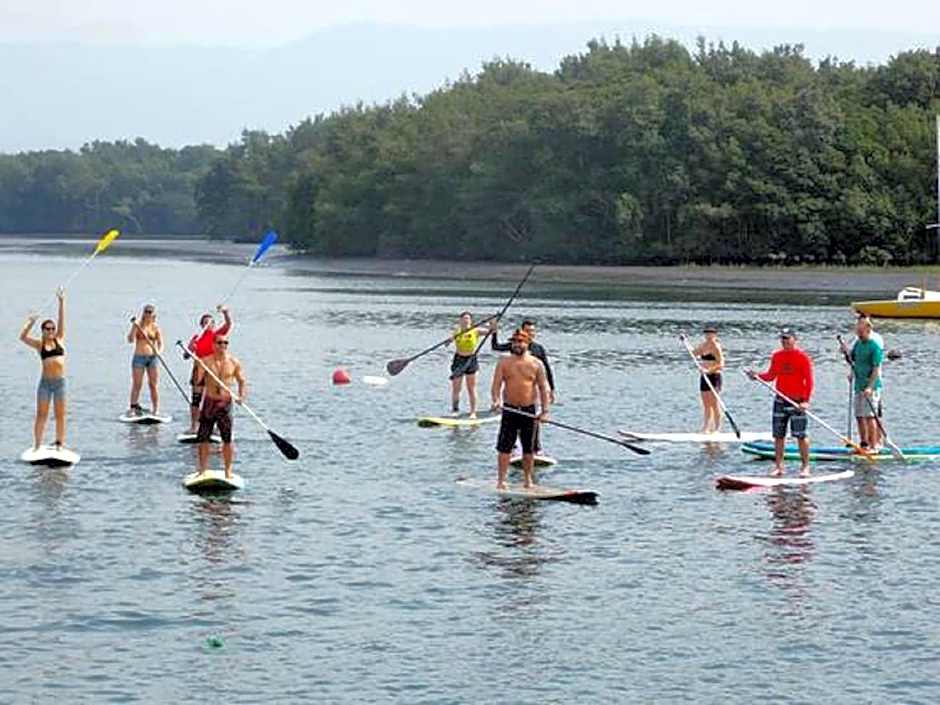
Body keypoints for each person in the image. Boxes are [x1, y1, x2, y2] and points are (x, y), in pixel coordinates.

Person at [745, 329, 814, 477]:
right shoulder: (777, 356)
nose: (785, 342)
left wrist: (806, 401)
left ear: (794, 340)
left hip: (797, 401)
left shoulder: (803, 357)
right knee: (778, 435)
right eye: (783, 339)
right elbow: (771, 375)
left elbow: (809, 381)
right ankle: (779, 467)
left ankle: (805, 467)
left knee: (800, 435)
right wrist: (757, 376)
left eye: (788, 339)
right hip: (780, 399)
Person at [490, 329, 551, 490]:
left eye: (520, 342)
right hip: (510, 410)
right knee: (504, 447)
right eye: (514, 342)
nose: (517, 345)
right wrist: (496, 401)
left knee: (528, 448)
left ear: (527, 343)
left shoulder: (536, 363)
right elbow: (496, 385)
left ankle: (527, 480)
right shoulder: (504, 362)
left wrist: (545, 411)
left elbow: (544, 388)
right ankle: (501, 480)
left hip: (529, 410)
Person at [490, 317, 556, 453]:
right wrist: (494, 332)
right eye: (527, 331)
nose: (530, 333)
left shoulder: (538, 349)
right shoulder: (514, 345)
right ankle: (512, 447)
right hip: (512, 398)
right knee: (511, 426)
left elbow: (547, 369)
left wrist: (552, 390)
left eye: (532, 331)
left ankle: (536, 448)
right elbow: (495, 347)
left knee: (533, 423)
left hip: (531, 395)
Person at [19, 288, 68, 450]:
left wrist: (61, 302)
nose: (50, 331)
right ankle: (37, 445)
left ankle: (60, 444)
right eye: (47, 329)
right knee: (42, 415)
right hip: (45, 384)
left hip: (60, 383)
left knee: (60, 415)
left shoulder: (59, 339)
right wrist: (30, 322)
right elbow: (23, 337)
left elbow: (62, 321)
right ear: (43, 331)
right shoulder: (40, 345)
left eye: (52, 328)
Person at [194, 335, 246, 479]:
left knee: (227, 439)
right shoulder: (205, 361)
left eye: (225, 343)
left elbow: (242, 381)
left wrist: (241, 397)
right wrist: (199, 368)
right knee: (203, 438)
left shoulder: (233, 362)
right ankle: (203, 470)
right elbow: (198, 382)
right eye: (219, 343)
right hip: (210, 402)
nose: (223, 345)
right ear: (213, 345)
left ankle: (228, 471)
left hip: (225, 403)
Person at [186, 305, 232, 433]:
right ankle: (194, 426)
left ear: (213, 325)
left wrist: (225, 312)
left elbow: (228, 324)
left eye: (211, 322)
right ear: (201, 325)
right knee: (196, 399)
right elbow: (186, 355)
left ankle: (217, 427)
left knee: (215, 398)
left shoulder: (217, 335)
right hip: (199, 368)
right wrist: (191, 348)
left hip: (213, 368)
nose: (208, 324)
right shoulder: (197, 337)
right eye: (205, 322)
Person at [445, 311, 488, 418]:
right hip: (459, 360)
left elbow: (492, 331)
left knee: (471, 388)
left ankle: (473, 412)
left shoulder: (476, 330)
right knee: (456, 388)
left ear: (471, 321)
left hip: (471, 360)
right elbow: (449, 341)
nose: (466, 320)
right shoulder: (457, 331)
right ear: (460, 321)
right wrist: (448, 341)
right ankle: (455, 410)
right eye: (464, 319)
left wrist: (492, 323)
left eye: (468, 319)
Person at [850, 316, 884, 450]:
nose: (858, 331)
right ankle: (863, 443)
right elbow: (853, 360)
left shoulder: (874, 346)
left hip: (871, 387)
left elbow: (876, 368)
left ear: (868, 329)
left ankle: (873, 444)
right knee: (859, 415)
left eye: (861, 329)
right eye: (857, 329)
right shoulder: (858, 344)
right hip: (858, 385)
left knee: (869, 416)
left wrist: (870, 386)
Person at [127, 304, 164, 416]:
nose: (148, 314)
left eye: (150, 312)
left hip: (152, 358)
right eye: (146, 312)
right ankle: (133, 407)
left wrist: (159, 352)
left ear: (153, 314)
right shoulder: (138, 325)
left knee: (153, 384)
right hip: (139, 357)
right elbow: (130, 340)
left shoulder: (156, 328)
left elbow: (161, 343)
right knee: (137, 384)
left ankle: (156, 408)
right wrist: (134, 328)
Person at [692, 326, 724, 433]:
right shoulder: (703, 345)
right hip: (704, 377)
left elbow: (721, 364)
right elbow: (693, 353)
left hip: (714, 376)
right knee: (706, 404)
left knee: (714, 403)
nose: (708, 336)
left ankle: (717, 428)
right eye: (706, 333)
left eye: (711, 333)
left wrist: (708, 370)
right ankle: (706, 428)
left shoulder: (716, 347)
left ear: (715, 335)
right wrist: (685, 342)